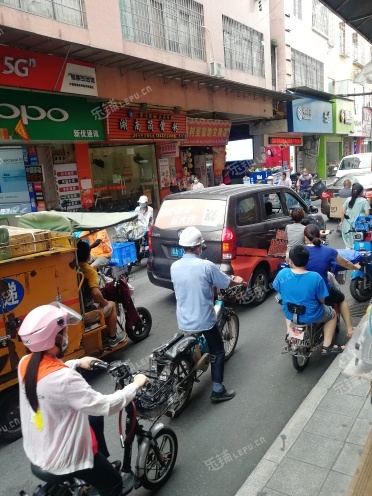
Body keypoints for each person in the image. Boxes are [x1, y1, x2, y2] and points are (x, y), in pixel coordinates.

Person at [18, 302, 147, 496]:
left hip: (39, 447)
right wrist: (135, 385)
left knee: (93, 418)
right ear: (52, 339)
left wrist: (77, 362)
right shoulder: (65, 379)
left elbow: (50, 378)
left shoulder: (26, 363)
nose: (66, 336)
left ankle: (101, 460)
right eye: (63, 332)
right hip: (65, 457)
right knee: (114, 484)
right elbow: (106, 405)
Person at [170, 226, 244, 402]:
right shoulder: (206, 266)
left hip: (184, 319)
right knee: (218, 351)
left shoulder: (174, 266)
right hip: (204, 320)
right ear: (197, 247)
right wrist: (238, 281)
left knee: (192, 342)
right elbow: (226, 283)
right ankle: (217, 390)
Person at [273, 245, 343, 355]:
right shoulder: (315, 277)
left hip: (290, 312)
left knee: (286, 308)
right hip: (312, 314)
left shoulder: (282, 273)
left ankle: (289, 334)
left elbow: (277, 289)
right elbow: (322, 300)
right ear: (307, 260)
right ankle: (326, 346)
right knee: (333, 314)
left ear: (290, 261)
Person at [304, 224, 361, 339]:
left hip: (302, 290)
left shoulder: (299, 250)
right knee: (341, 299)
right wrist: (356, 267)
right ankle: (350, 329)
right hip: (322, 291)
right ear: (319, 235)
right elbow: (345, 263)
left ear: (305, 237)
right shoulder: (329, 251)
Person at [77, 240, 124, 347]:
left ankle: (104, 334)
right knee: (111, 305)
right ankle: (112, 338)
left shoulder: (73, 268)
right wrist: (104, 302)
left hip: (76, 312)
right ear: (88, 255)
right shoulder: (89, 271)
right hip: (86, 314)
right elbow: (96, 294)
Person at [341, 183, 371, 249]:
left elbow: (343, 212)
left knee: (348, 242)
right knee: (359, 239)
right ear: (361, 192)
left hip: (348, 222)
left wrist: (341, 222)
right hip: (359, 223)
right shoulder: (364, 201)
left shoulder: (348, 199)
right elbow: (367, 214)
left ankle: (349, 254)